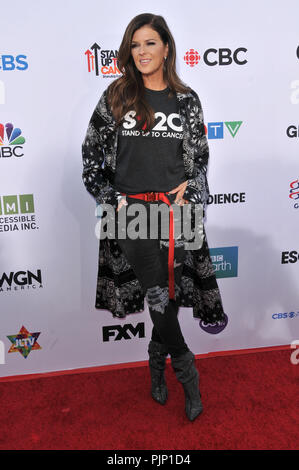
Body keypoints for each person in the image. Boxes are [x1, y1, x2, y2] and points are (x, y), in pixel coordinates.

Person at [82, 13, 227, 422]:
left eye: (150, 43)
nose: (142, 52)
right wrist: (110, 197)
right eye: (135, 44)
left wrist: (193, 188)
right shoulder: (117, 96)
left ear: (166, 48)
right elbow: (91, 158)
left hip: (175, 213)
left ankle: (154, 364)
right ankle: (188, 372)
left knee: (167, 296)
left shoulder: (187, 100)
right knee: (158, 294)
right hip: (130, 216)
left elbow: (199, 158)